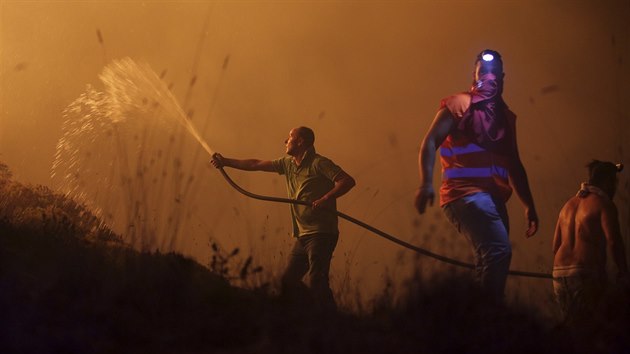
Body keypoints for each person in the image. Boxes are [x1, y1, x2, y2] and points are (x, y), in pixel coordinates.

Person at [414, 49, 538, 304]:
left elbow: (514, 163)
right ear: (474, 74)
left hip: (494, 198)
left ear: (503, 78)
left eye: (495, 73)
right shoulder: (460, 104)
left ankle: (475, 321)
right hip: (465, 194)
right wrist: (425, 183)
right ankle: (485, 317)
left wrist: (529, 206)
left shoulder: (505, 118)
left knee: (489, 259)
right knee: (498, 252)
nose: (490, 77)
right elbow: (429, 141)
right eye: (484, 71)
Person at [210, 126, 356, 310]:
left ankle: (333, 322)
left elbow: (347, 181)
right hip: (302, 236)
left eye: (290, 137)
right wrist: (226, 162)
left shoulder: (319, 163)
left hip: (321, 233)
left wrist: (326, 198)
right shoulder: (287, 164)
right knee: (287, 282)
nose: (285, 141)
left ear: (301, 141)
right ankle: (305, 313)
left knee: (317, 280)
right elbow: (256, 164)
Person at [552, 160, 628, 325]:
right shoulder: (604, 204)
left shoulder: (568, 205)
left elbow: (555, 246)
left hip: (558, 274)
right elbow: (614, 241)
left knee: (570, 327)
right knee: (590, 328)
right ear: (608, 182)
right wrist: (623, 272)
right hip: (585, 275)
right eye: (614, 182)